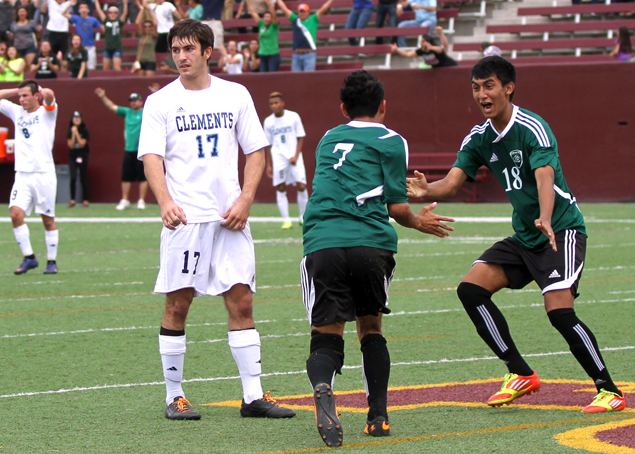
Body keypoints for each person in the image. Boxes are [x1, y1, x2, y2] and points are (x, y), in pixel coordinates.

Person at [407, 56, 626, 414]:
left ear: (508, 88)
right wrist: (425, 190)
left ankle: (609, 390)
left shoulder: (532, 127)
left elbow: (544, 175)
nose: (481, 94)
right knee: (471, 290)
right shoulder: (478, 137)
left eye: (489, 86)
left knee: (559, 312)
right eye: (476, 88)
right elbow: (451, 183)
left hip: (560, 230)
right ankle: (520, 372)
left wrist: (544, 216)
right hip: (525, 237)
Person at [138, 18, 296, 421]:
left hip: (230, 220)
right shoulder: (160, 101)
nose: (181, 57)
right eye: (175, 50)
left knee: (242, 301)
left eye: (189, 49)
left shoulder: (235, 94)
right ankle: (174, 395)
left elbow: (256, 150)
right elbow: (152, 157)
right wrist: (165, 201)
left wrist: (245, 200)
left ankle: (253, 396)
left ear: (208, 52)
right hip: (185, 220)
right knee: (178, 303)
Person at [301, 70, 455, 447]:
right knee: (370, 329)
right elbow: (397, 206)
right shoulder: (392, 140)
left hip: (323, 241)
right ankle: (378, 417)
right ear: (383, 106)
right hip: (371, 244)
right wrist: (418, 222)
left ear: (342, 107)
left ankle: (323, 385)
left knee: (326, 334)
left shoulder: (327, 138)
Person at [0, 80, 60, 275]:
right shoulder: (17, 112)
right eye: (20, 96)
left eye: (25, 95)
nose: (21, 99)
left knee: (47, 219)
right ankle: (29, 257)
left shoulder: (47, 112)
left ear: (36, 95)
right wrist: (17, 90)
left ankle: (51, 261)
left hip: (44, 173)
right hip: (23, 174)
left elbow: (50, 96)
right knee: (15, 215)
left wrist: (41, 90)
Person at [94, 87, 148, 210]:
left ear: (141, 101)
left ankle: (141, 201)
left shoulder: (145, 112)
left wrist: (155, 92)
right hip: (128, 149)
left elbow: (158, 108)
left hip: (141, 150)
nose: (133, 102)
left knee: (143, 177)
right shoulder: (127, 112)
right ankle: (125, 200)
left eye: (135, 100)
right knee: (126, 176)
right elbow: (112, 107)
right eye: (131, 100)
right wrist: (103, 97)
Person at [263, 92, 308, 229]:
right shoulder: (268, 122)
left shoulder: (293, 117)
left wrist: (296, 155)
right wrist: (269, 164)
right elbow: (269, 144)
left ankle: (303, 217)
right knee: (281, 187)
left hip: (294, 156)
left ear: (282, 103)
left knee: (301, 185)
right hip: (278, 157)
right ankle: (286, 220)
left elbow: (301, 136)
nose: (274, 106)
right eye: (271, 104)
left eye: (276, 103)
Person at [276, 0, 335, 72]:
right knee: (295, 79)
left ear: (308, 12)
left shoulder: (313, 19)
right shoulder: (295, 19)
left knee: (308, 79)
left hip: (309, 55)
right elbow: (284, 9)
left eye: (304, 11)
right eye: (300, 11)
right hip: (296, 55)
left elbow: (323, 9)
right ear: (298, 13)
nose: (302, 13)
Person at [390, 26, 457, 68]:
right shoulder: (421, 51)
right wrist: (397, 49)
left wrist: (440, 33)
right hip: (438, 70)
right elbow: (407, 54)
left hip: (450, 67)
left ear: (427, 42)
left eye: (422, 41)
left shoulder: (435, 49)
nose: (420, 43)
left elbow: (443, 47)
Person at [65, 0, 103, 70]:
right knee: (79, 67)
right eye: (81, 8)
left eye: (85, 7)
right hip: (79, 47)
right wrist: (70, 4)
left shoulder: (93, 20)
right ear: (79, 10)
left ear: (88, 10)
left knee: (91, 67)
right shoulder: (76, 18)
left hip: (90, 46)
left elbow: (102, 28)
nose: (83, 9)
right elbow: (63, 13)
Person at [245, 0, 279, 72]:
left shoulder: (274, 26)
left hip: (273, 54)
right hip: (262, 54)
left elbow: (274, 15)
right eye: (265, 17)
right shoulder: (261, 25)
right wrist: (248, 1)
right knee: (263, 75)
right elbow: (253, 12)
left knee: (272, 76)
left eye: (268, 17)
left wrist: (270, 4)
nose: (266, 18)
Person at [94, 0, 128, 70]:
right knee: (105, 68)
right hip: (108, 47)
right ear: (108, 14)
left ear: (117, 14)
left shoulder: (119, 21)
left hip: (117, 47)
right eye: (111, 12)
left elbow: (125, 13)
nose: (113, 14)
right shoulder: (106, 20)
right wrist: (96, 1)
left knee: (117, 68)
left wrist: (125, 3)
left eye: (115, 12)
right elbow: (99, 10)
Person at [66, 111, 90, 208]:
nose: (76, 120)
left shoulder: (84, 130)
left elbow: (82, 144)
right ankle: (72, 199)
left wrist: (76, 133)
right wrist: (73, 134)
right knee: (73, 177)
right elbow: (71, 145)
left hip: (82, 155)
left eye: (78, 118)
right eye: (75, 118)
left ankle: (85, 200)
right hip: (73, 156)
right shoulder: (69, 130)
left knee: (83, 178)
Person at [134, 5, 158, 76]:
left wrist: (153, 12)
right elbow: (137, 22)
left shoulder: (153, 36)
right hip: (140, 61)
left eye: (149, 26)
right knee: (140, 82)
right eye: (145, 26)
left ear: (151, 28)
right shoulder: (142, 35)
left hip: (150, 60)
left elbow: (156, 24)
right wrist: (142, 10)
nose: (147, 28)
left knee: (149, 81)